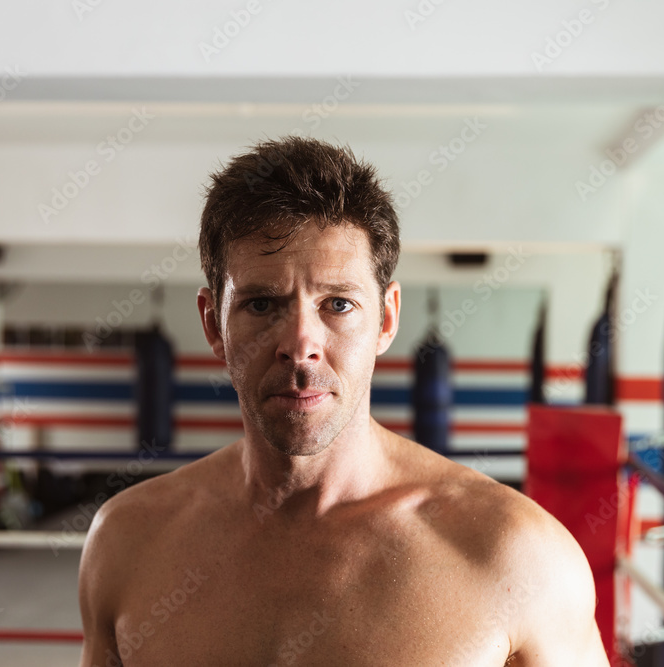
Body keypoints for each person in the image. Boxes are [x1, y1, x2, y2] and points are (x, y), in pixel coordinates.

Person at [78, 136, 610, 666]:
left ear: (387, 318)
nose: (299, 344)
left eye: (337, 304)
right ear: (213, 324)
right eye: (261, 304)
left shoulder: (517, 557)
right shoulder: (128, 541)